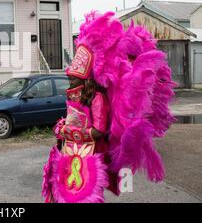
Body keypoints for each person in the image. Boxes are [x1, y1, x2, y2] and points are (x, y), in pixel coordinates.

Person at [42, 11, 175, 203]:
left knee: (81, 197)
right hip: (68, 153)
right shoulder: (76, 97)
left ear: (84, 80)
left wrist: (70, 132)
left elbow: (98, 131)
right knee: (58, 193)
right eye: (69, 78)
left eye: (72, 79)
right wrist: (62, 126)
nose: (69, 83)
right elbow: (74, 118)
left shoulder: (97, 99)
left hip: (87, 157)